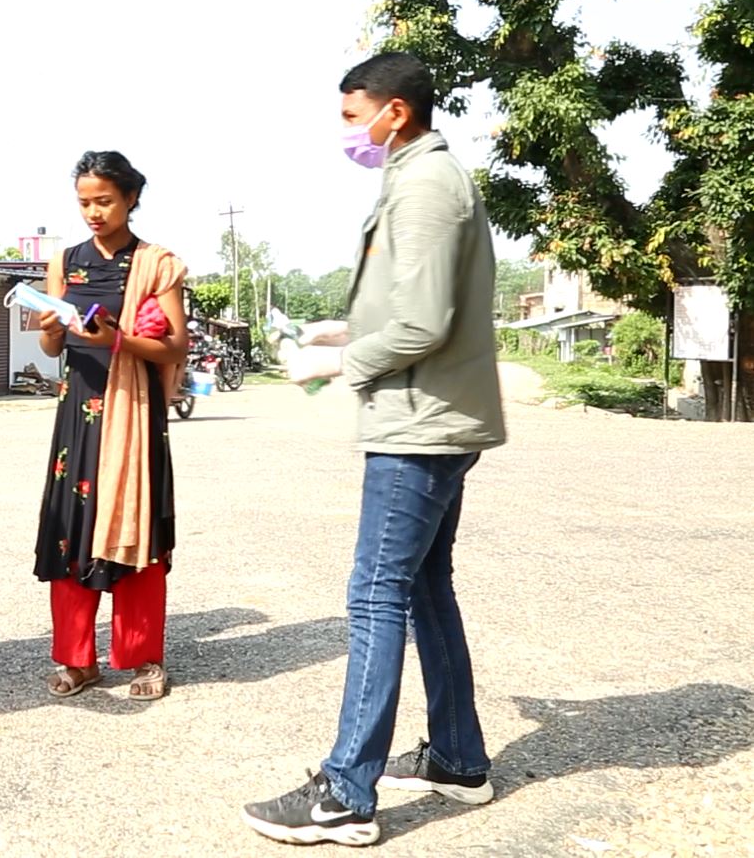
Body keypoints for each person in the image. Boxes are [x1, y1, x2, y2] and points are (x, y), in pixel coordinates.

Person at [241, 52, 507, 845]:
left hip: (420, 425)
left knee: (374, 594)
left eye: (352, 115)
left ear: (394, 112)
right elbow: (416, 306)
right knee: (424, 588)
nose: (345, 132)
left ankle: (344, 792)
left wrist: (334, 362)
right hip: (433, 416)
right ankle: (458, 759)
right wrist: (342, 328)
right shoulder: (420, 177)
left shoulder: (425, 184)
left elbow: (424, 326)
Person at [33, 151, 188, 702]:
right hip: (79, 409)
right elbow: (53, 345)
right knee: (71, 524)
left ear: (130, 199)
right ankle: (78, 659)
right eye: (84, 202)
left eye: (104, 201)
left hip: (135, 409)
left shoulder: (156, 262)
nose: (93, 212)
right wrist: (50, 327)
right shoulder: (66, 261)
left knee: (136, 528)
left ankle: (143, 657)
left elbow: (176, 344)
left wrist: (116, 339)